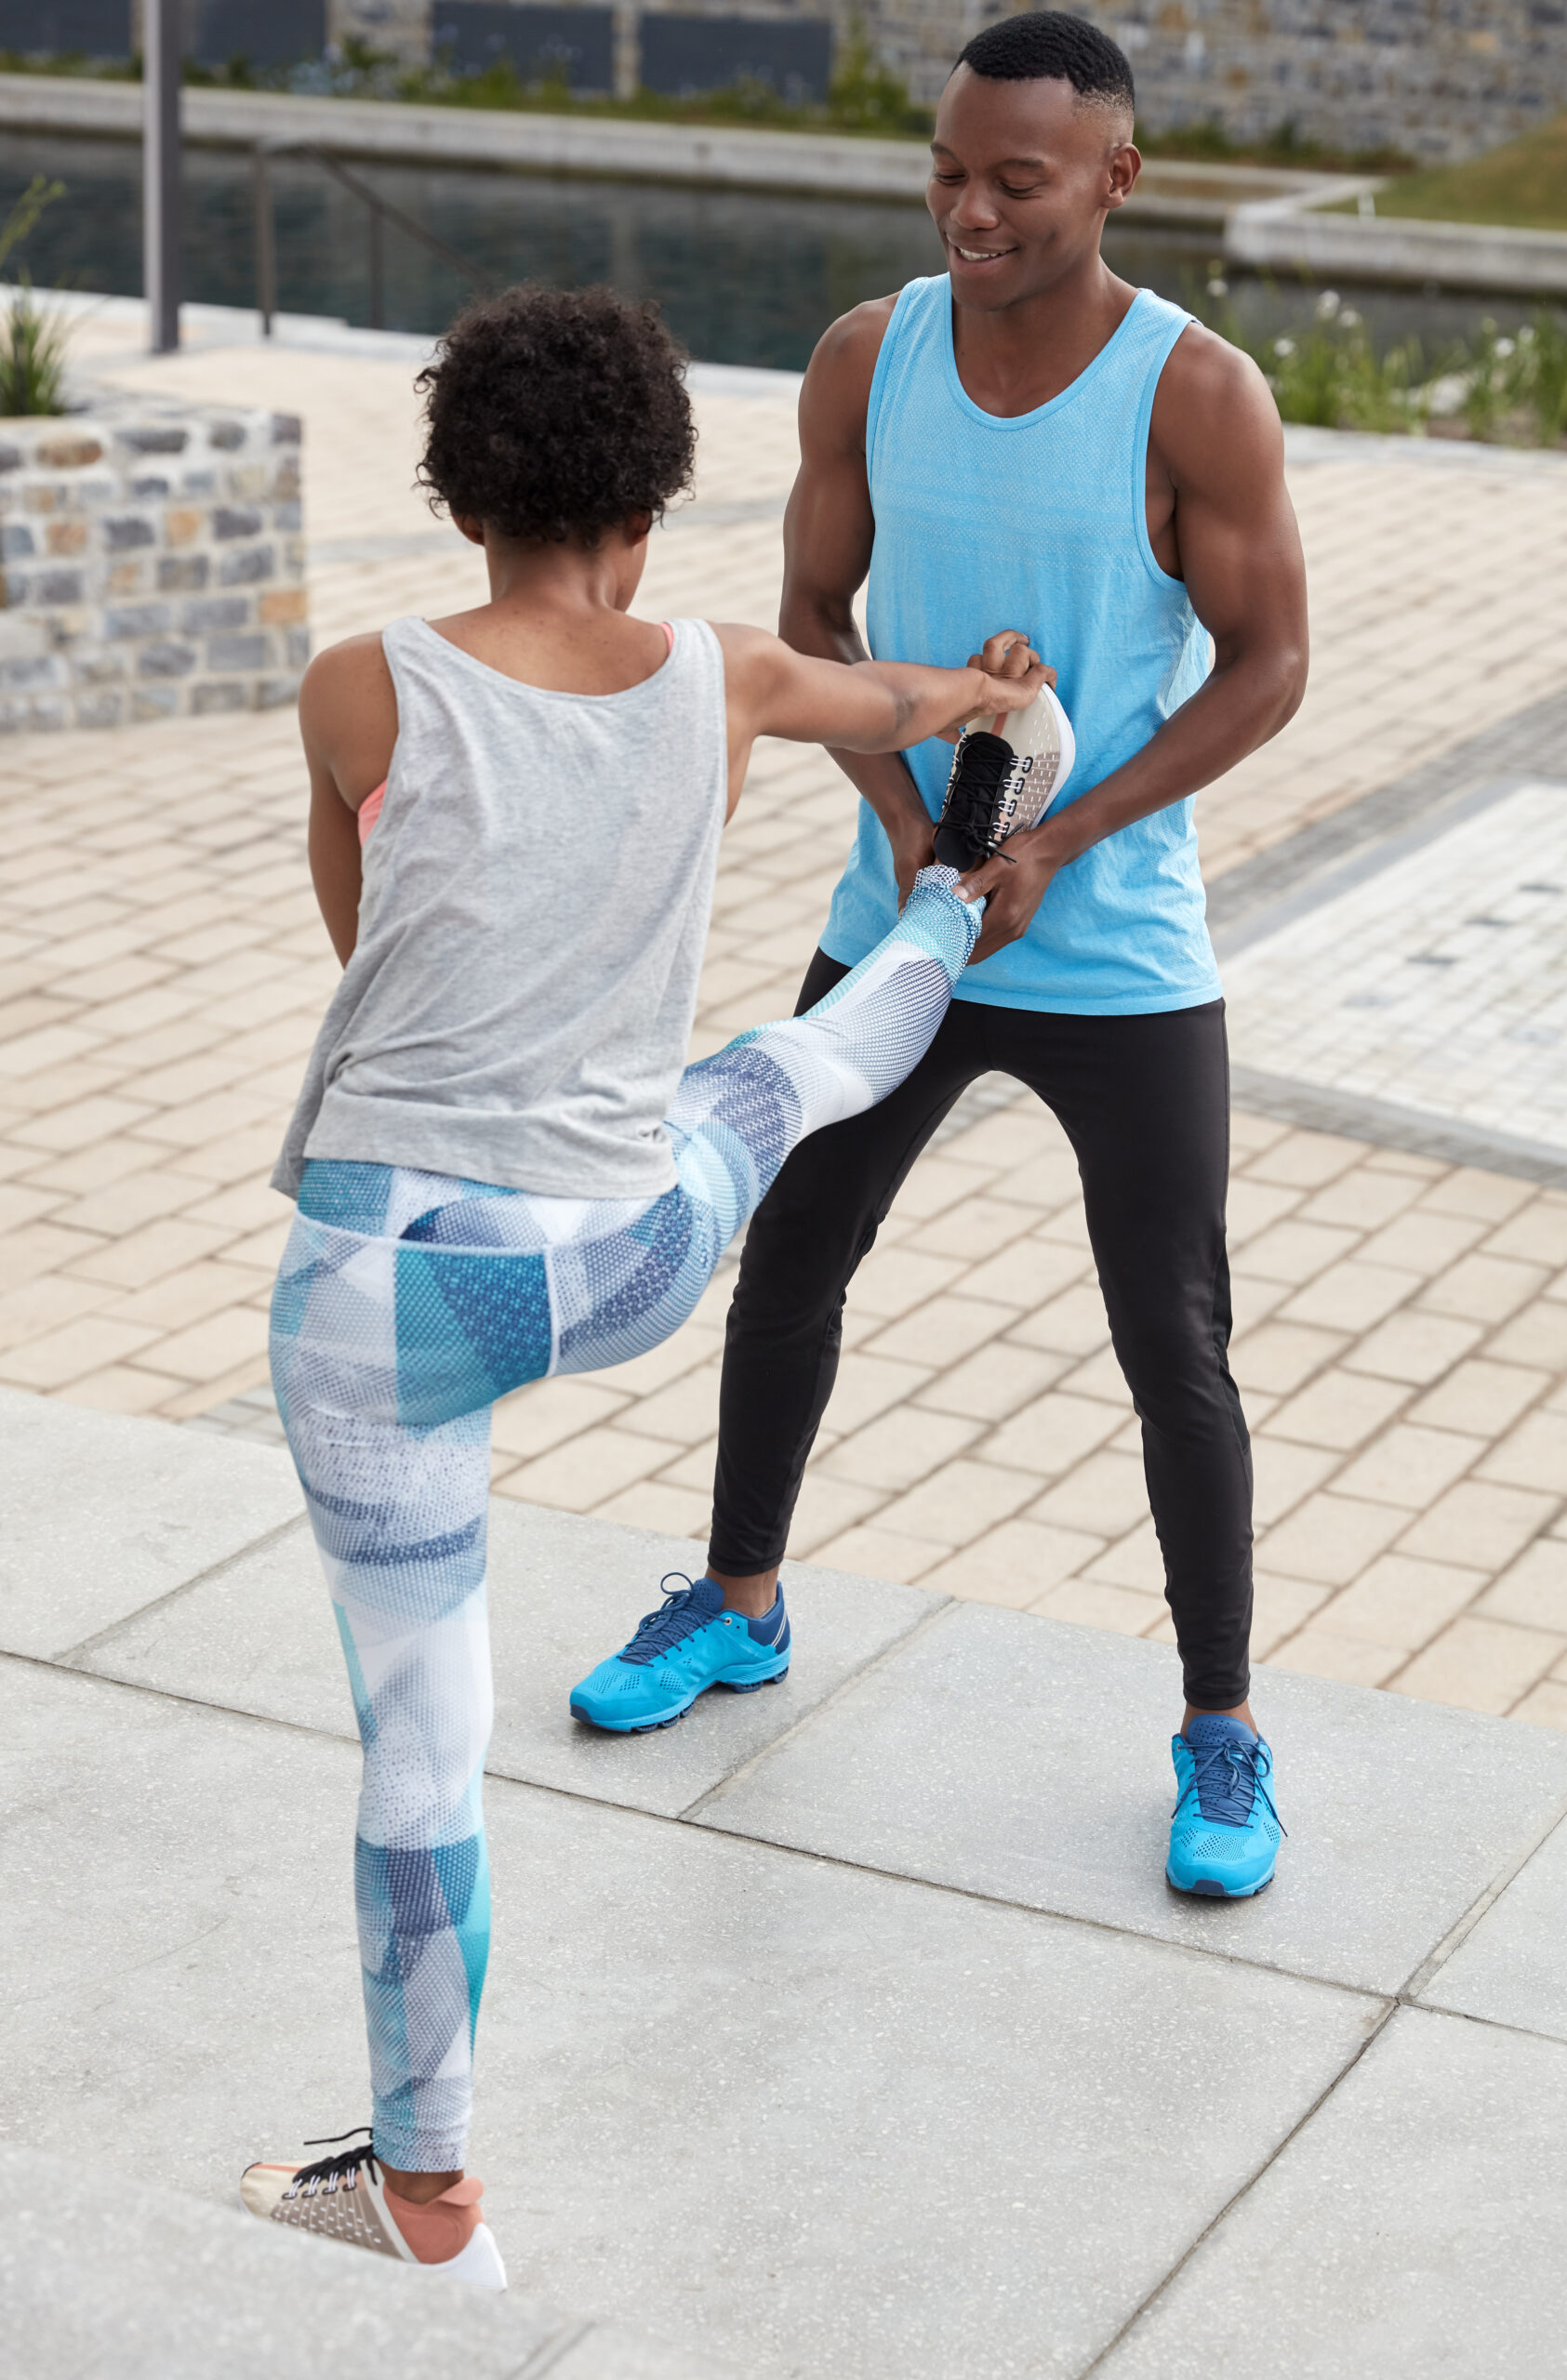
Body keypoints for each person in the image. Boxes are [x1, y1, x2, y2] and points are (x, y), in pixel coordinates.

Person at [239, 280, 1055, 2287]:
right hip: (618, 1253)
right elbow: (912, 699)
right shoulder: (728, 673)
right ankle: (955, 910)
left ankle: (423, 2192)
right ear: (651, 501)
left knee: (426, 1744)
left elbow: (368, 940)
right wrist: (986, 702)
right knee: (785, 1075)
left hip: (389, 1296)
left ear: (457, 502)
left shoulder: (359, 683)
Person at [573, 12, 1305, 1904]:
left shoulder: (1192, 393)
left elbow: (1268, 664)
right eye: (945, 174)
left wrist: (1058, 835)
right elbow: (809, 613)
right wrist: (909, 825)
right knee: (788, 1258)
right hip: (898, 916)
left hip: (1114, 945)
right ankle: (738, 1602)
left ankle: (1218, 1725)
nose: (967, 211)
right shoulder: (862, 357)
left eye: (1014, 181)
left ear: (1112, 180)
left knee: (1174, 1337)